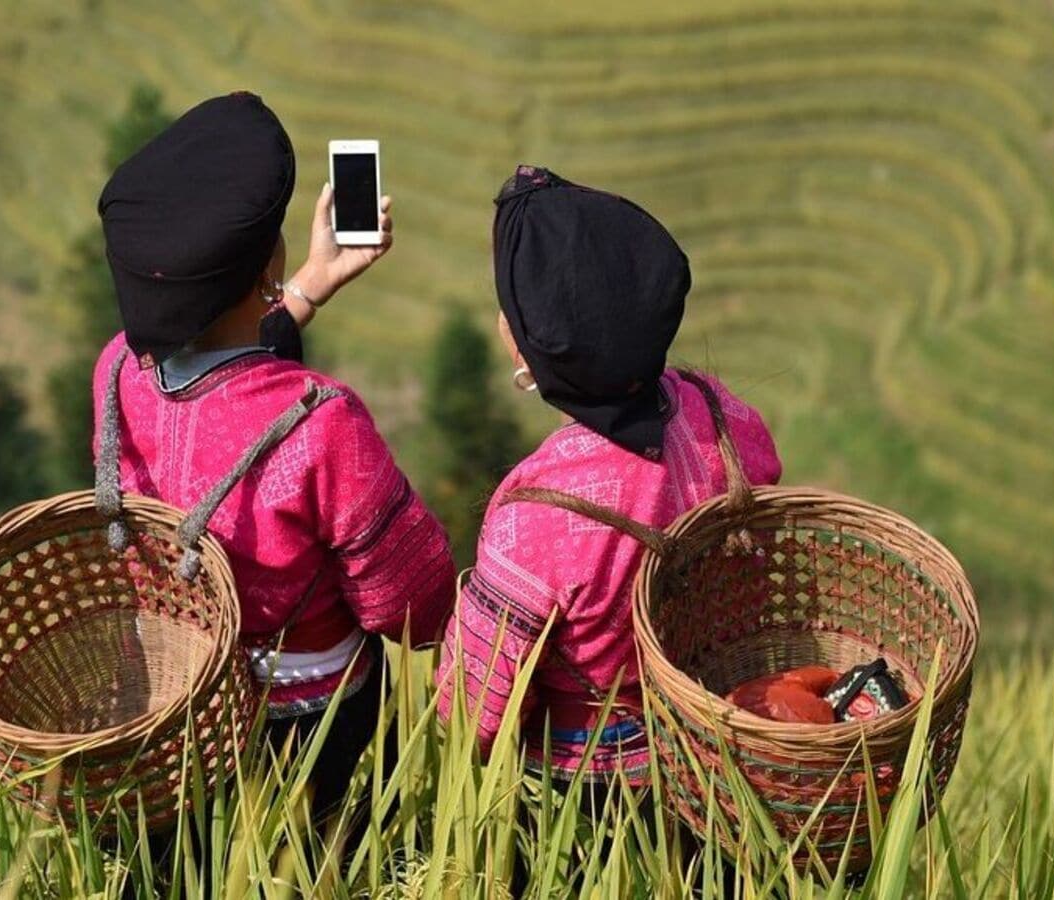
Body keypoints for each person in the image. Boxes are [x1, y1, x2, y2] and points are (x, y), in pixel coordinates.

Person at [93, 93, 456, 850]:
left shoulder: (117, 373)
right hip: (310, 728)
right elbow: (409, 605)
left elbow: (216, 382)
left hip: (177, 704)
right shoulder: (323, 422)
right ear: (268, 262)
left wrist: (308, 288)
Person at [436, 165, 783, 792]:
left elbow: (474, 712)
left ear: (523, 345)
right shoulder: (728, 421)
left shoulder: (533, 518)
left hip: (590, 801)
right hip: (725, 763)